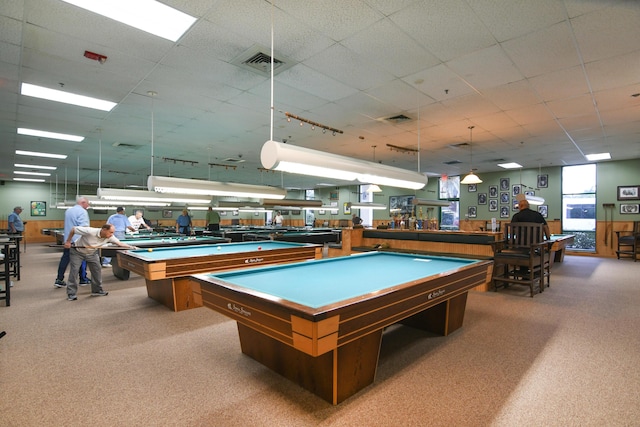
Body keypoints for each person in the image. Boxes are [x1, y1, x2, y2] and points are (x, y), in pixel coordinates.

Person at [64, 224, 136, 301]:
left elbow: (120, 244)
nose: (112, 235)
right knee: (74, 271)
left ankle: (97, 290)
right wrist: (68, 241)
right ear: (104, 229)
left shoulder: (110, 237)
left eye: (113, 233)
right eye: (110, 232)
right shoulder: (90, 231)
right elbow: (73, 229)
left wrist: (131, 247)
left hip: (92, 253)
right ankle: (71, 293)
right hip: (77, 252)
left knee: (97, 270)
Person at [54, 197, 90, 288]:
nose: (88, 205)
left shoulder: (68, 211)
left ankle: (59, 279)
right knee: (82, 260)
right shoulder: (82, 212)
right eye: (87, 204)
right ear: (83, 202)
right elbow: (83, 228)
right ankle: (83, 279)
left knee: (65, 260)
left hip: (68, 241)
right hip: (78, 242)